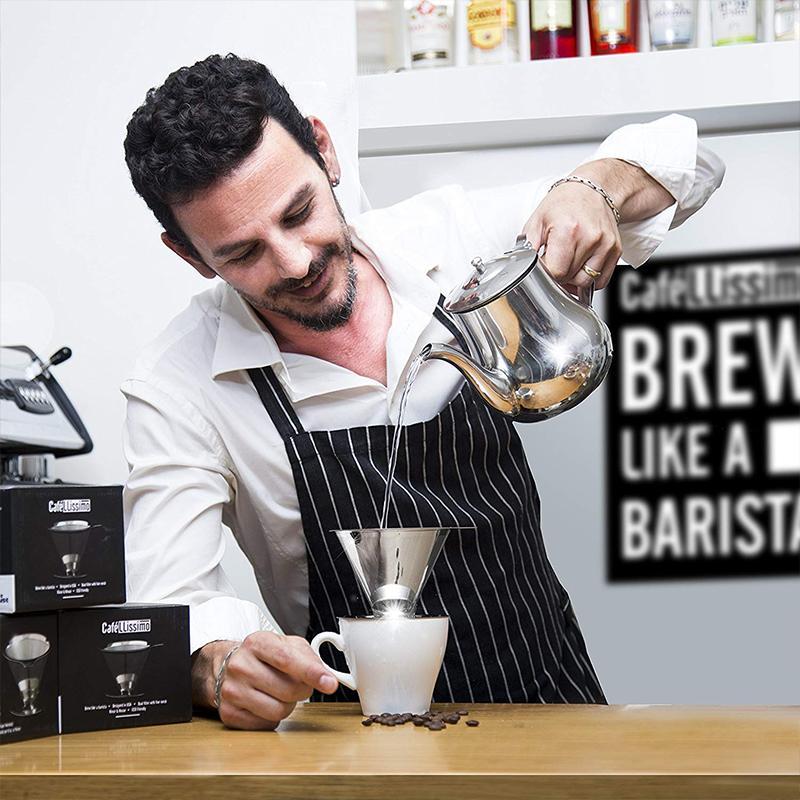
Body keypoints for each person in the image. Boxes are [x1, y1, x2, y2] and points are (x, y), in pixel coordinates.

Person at [122, 54, 725, 731]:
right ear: (189, 255)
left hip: (555, 701)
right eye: (242, 253)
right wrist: (217, 667)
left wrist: (593, 189)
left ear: (324, 150)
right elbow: (169, 609)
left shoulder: (453, 242)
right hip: (357, 744)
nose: (296, 262)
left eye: (299, 212)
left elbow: (692, 163)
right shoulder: (177, 384)